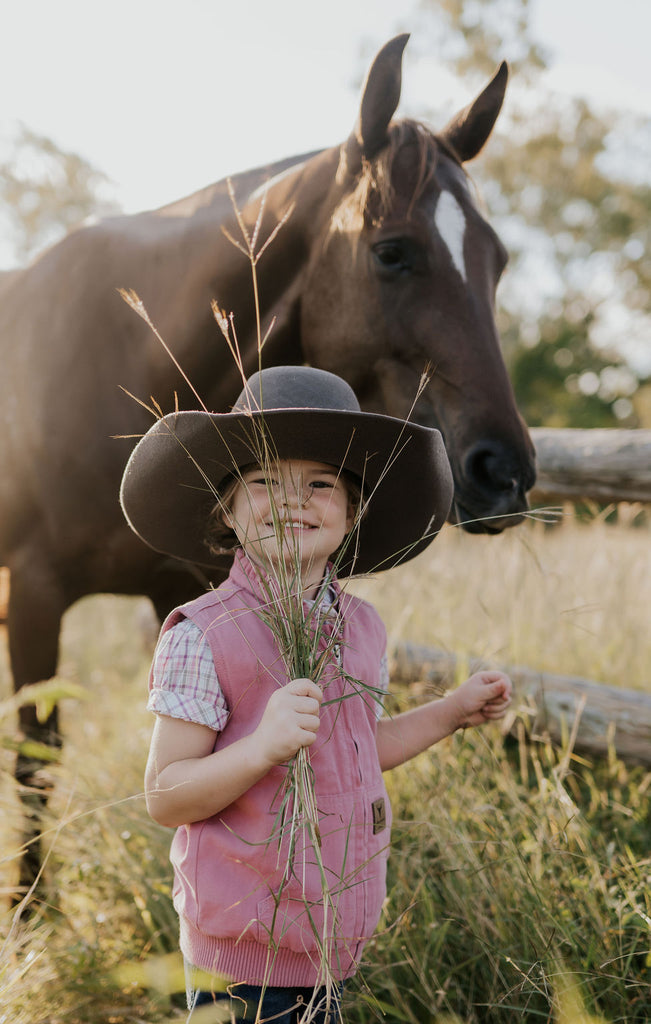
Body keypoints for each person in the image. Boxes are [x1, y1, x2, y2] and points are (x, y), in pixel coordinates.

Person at [120, 366, 512, 1024]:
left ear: (354, 511)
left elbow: (355, 749)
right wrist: (260, 748)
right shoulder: (203, 635)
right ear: (226, 506)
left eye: (321, 485)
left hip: (332, 935)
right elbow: (166, 795)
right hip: (242, 948)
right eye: (264, 481)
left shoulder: (360, 627)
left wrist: (448, 714)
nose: (291, 501)